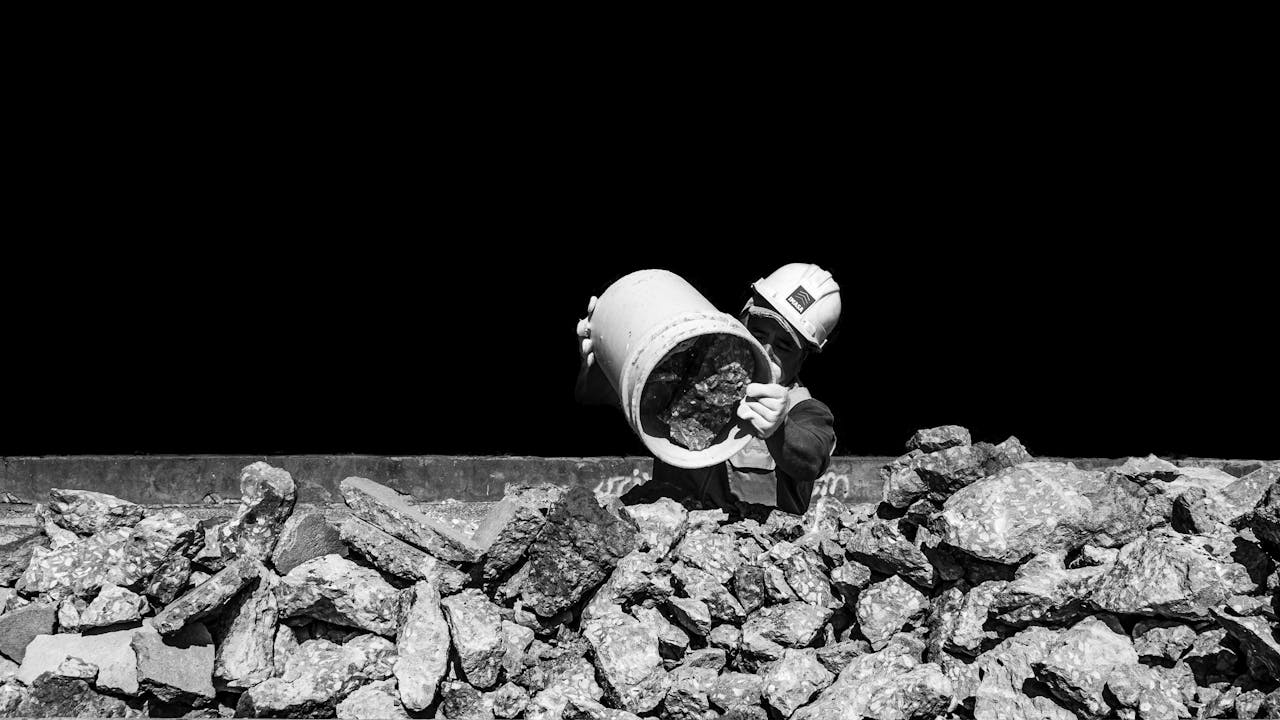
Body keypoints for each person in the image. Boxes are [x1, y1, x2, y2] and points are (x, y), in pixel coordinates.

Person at [575, 263, 840, 515]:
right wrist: (601, 355)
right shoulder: (688, 368)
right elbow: (604, 398)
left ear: (803, 357)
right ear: (743, 317)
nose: (767, 350)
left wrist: (778, 429)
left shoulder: (805, 410)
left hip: (750, 554)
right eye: (759, 334)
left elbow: (811, 459)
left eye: (784, 346)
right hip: (671, 542)